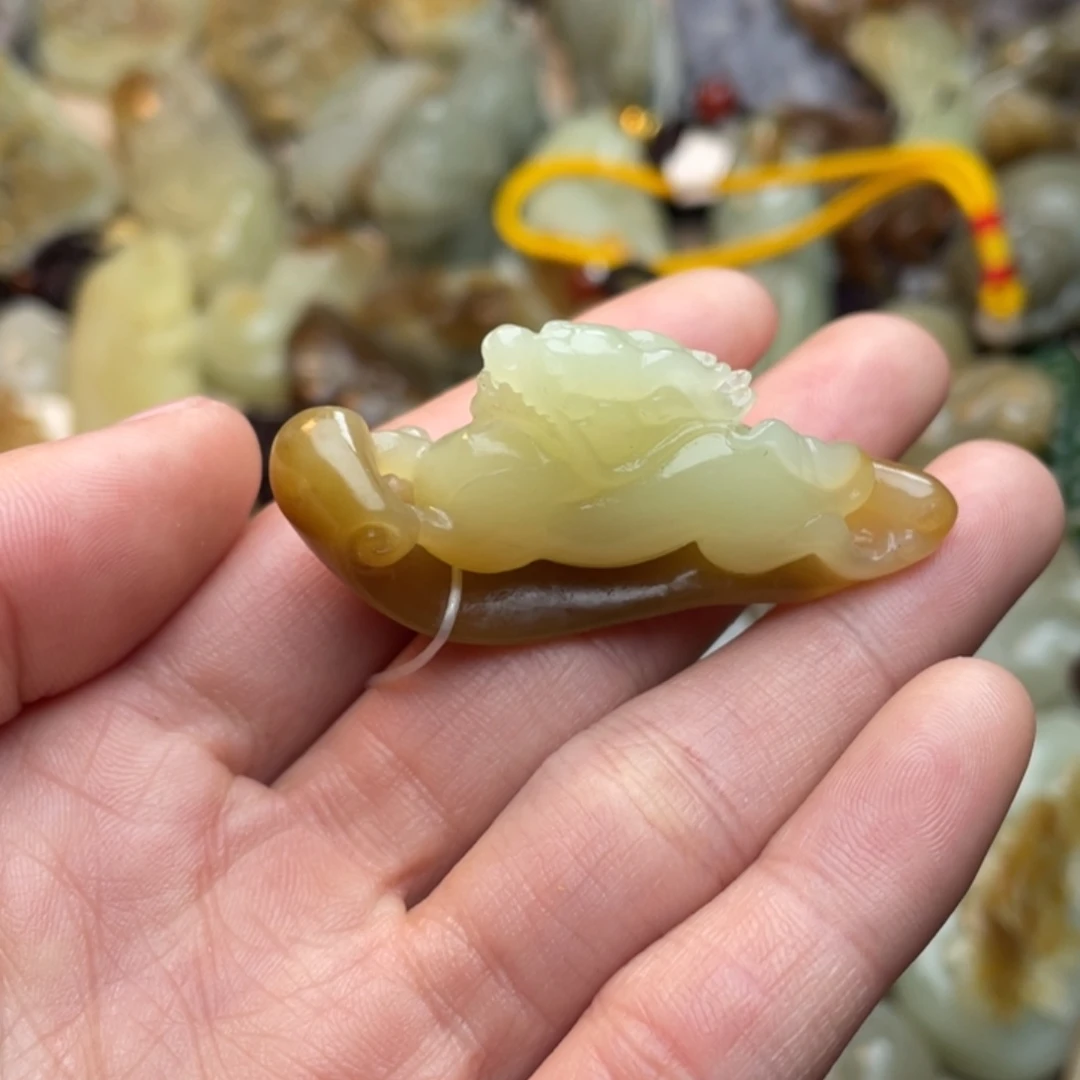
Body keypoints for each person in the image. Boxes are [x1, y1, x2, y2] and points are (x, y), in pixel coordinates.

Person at [0, 270, 1062, 1078]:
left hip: (633, 497)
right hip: (557, 503)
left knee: (770, 494)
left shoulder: (647, 482)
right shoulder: (487, 492)